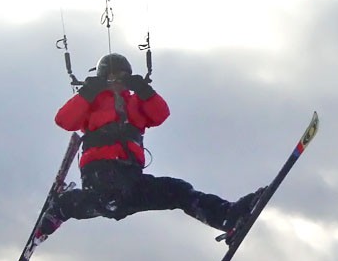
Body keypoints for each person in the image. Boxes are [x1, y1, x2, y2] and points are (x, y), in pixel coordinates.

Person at [33, 53, 264, 242]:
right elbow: (64, 120)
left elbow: (161, 114)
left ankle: (227, 216)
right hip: (100, 176)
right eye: (111, 76)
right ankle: (58, 211)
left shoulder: (134, 102)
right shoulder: (91, 103)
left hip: (131, 181)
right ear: (102, 77)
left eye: (122, 76)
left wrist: (144, 90)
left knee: (178, 191)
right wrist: (87, 92)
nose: (116, 81)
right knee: (98, 200)